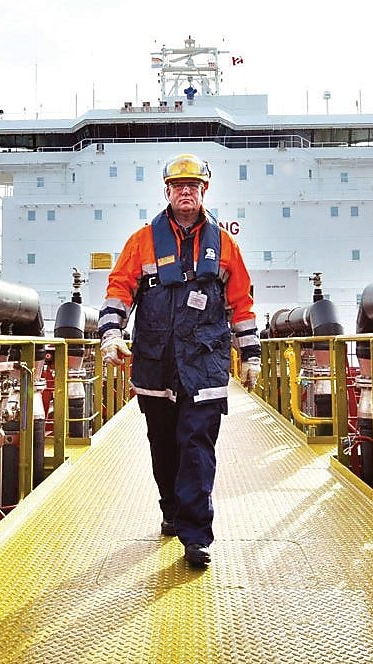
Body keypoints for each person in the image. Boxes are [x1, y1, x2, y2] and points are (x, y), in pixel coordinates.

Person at [99, 153, 262, 568]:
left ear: (204, 191)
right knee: (164, 445)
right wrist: (112, 334)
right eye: (178, 186)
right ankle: (171, 509)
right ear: (167, 192)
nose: (185, 192)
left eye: (193, 185)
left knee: (196, 446)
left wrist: (251, 355)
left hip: (204, 363)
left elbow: (241, 303)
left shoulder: (226, 245)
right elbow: (119, 289)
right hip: (156, 362)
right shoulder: (141, 241)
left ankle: (195, 535)